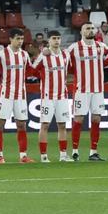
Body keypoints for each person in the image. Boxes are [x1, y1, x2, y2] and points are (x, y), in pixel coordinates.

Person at [0, 28, 35, 165]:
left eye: (22, 39)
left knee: (22, 125)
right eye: (17, 39)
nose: (20, 41)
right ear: (10, 39)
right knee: (0, 123)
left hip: (21, 95)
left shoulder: (25, 55)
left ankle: (23, 156)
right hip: (6, 95)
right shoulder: (2, 54)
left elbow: (31, 70)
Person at [67, 21, 108, 161]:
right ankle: (75, 151)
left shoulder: (101, 46)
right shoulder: (74, 47)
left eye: (92, 28)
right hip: (81, 90)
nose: (90, 30)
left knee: (96, 119)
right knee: (79, 119)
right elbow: (62, 60)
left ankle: (93, 151)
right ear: (81, 32)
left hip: (98, 90)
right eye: (87, 28)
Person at [33, 30, 72, 163]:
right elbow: (33, 69)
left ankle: (63, 155)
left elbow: (71, 69)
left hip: (62, 96)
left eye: (58, 38)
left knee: (62, 125)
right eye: (54, 38)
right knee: (45, 125)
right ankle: (44, 156)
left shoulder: (65, 55)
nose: (56, 41)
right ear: (48, 41)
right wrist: (41, 53)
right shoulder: (44, 56)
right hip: (48, 97)